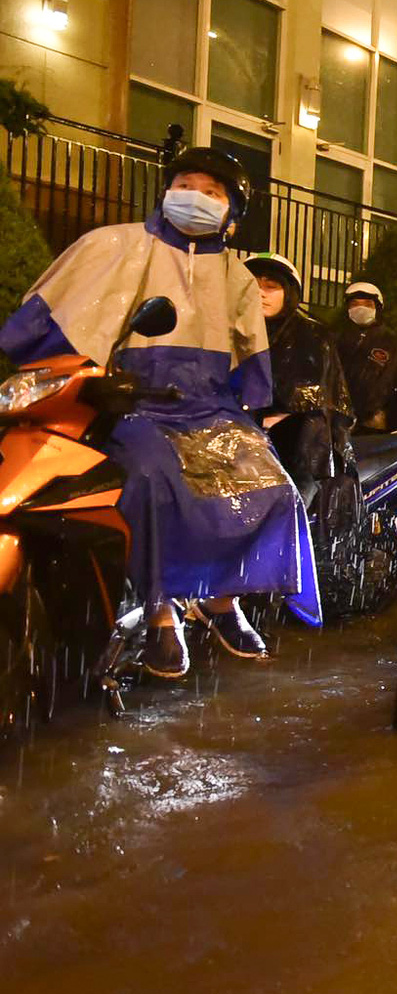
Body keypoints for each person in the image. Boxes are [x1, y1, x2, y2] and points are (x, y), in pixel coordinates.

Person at [0, 147, 315, 677]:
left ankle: (222, 600)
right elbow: (46, 319)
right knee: (150, 479)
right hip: (130, 405)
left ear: (231, 212)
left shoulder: (237, 277)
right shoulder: (112, 245)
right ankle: (160, 610)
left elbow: (248, 363)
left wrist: (246, 412)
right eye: (187, 184)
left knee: (269, 484)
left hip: (207, 408)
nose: (197, 197)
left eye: (212, 192)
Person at [245, 252, 353, 510]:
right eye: (252, 285)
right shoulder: (229, 331)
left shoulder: (312, 335)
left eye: (271, 287)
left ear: (289, 292)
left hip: (297, 451)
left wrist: (263, 422)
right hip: (238, 442)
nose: (260, 293)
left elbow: (310, 399)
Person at [334, 280, 397, 430]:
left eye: (367, 304)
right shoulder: (336, 338)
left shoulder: (391, 341)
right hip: (339, 419)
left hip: (375, 421)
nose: (360, 309)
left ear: (377, 308)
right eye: (355, 304)